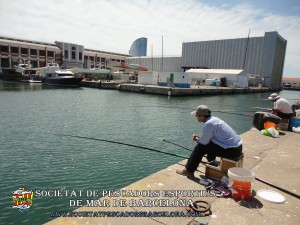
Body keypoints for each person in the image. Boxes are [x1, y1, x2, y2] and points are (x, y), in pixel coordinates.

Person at [176, 105, 243, 177]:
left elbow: (203, 143)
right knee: (209, 143)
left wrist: (197, 139)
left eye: (197, 115)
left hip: (232, 151)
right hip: (238, 147)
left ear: (201, 116)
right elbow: (210, 139)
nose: (196, 117)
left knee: (199, 147)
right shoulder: (214, 119)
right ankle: (211, 161)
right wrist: (201, 139)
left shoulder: (208, 124)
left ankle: (188, 170)